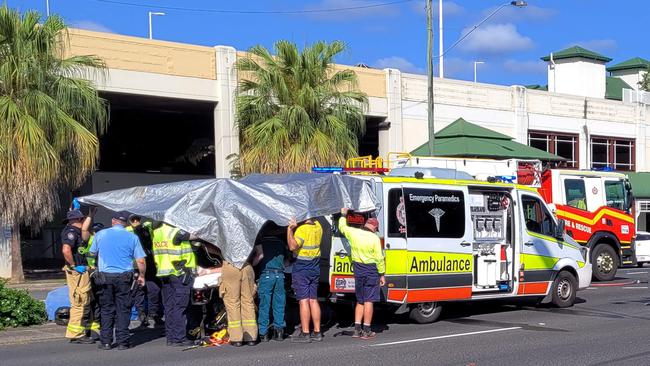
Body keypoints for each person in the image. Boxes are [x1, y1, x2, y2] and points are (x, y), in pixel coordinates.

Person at [89, 211, 146, 350]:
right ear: (125, 222)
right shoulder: (132, 237)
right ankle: (123, 342)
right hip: (124, 278)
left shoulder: (101, 234)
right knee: (123, 309)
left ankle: (106, 342)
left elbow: (92, 253)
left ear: (113, 221)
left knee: (106, 309)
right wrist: (142, 276)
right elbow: (141, 260)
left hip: (105, 277)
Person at [338, 208, 385, 339]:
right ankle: (367, 330)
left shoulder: (354, 233)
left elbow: (342, 226)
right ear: (374, 228)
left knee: (360, 300)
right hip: (371, 270)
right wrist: (381, 274)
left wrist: (343, 214)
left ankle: (357, 330)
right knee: (369, 300)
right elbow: (379, 258)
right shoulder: (374, 238)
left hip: (358, 269)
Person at [152, 222, 198, 347]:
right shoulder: (176, 232)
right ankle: (179, 338)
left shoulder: (157, 232)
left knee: (169, 306)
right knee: (180, 306)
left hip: (164, 273)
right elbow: (197, 234)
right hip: (179, 273)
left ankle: (171, 338)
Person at [61, 208, 95, 344]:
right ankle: (76, 334)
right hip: (77, 272)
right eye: (83, 219)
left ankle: (82, 330)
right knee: (79, 301)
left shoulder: (76, 231)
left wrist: (91, 215)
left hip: (81, 271)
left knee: (85, 300)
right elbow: (66, 249)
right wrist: (74, 265)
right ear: (78, 220)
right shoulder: (71, 232)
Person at [287, 217, 323, 343]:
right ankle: (317, 332)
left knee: (303, 301)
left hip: (302, 268)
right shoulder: (318, 226)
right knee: (313, 300)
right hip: (315, 267)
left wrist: (290, 229)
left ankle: (306, 332)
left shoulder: (301, 230)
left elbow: (292, 246)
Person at [253, 224, 288, 342]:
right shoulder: (281, 242)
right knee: (279, 304)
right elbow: (287, 261)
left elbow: (258, 258)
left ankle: (264, 333)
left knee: (264, 304)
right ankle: (279, 332)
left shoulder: (260, 242)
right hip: (280, 275)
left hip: (266, 274)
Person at [127, 214, 163, 328]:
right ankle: (142, 315)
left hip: (150, 264)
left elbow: (156, 223)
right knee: (138, 292)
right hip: (136, 265)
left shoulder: (147, 227)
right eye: (133, 219)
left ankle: (154, 314)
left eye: (138, 219)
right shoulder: (127, 231)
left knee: (154, 290)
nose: (136, 221)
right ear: (129, 220)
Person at [220, 258, 258, 347]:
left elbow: (214, 248)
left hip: (230, 266)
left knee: (232, 303)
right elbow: (260, 255)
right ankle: (251, 337)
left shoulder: (224, 243)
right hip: (247, 266)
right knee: (248, 302)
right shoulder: (249, 243)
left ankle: (236, 339)